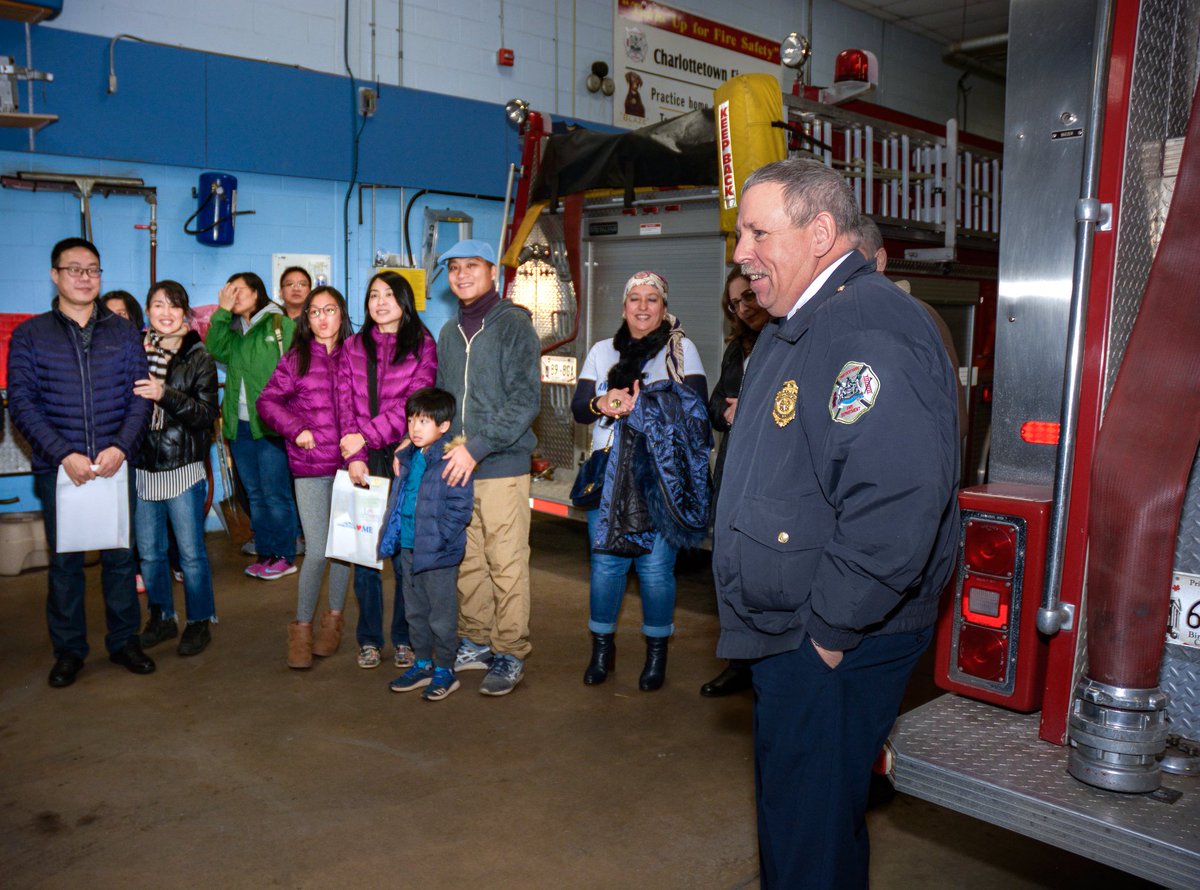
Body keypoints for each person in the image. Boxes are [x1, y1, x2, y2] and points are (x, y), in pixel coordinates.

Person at [716, 159, 960, 888]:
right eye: (739, 234)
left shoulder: (868, 326)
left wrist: (826, 633)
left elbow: (896, 504)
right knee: (811, 822)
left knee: (807, 837)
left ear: (820, 232)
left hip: (828, 636)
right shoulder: (805, 321)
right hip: (799, 627)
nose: (740, 252)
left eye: (759, 231)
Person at [7, 237, 155, 687]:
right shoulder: (31, 335)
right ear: (55, 275)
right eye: (75, 269)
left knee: (118, 557)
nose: (85, 278)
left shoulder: (124, 332)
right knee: (66, 563)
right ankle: (69, 650)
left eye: (93, 270)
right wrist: (62, 454)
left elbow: (141, 397)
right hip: (60, 470)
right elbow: (22, 402)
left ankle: (124, 641)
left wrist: (121, 447)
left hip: (115, 462)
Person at [570, 271, 709, 691]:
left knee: (654, 570)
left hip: (660, 474)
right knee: (607, 566)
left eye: (652, 299)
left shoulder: (681, 351)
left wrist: (644, 405)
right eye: (635, 299)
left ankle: (656, 654)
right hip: (607, 469)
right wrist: (604, 402)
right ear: (624, 306)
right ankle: (601, 649)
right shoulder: (601, 351)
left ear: (664, 308)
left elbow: (698, 410)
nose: (643, 307)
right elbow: (579, 408)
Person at [435, 239, 541, 697]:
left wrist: (475, 448)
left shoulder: (514, 325)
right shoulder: (447, 332)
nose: (461, 275)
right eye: (454, 268)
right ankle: (476, 640)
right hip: (456, 466)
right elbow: (444, 398)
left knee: (507, 563)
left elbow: (524, 401)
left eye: (471, 266)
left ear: (492, 272)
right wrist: (432, 441)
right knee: (469, 561)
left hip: (500, 465)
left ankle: (511, 650)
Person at [338, 270, 437, 670]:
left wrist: (366, 437)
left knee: (402, 551)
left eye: (389, 295)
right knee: (364, 552)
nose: (380, 302)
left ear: (404, 301)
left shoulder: (422, 344)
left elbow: (416, 402)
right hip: (363, 457)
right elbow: (344, 399)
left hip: (404, 453)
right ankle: (368, 638)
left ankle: (404, 637)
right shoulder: (352, 345)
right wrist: (353, 453)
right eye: (373, 295)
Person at [258, 285, 355, 669]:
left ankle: (333, 624)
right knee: (317, 550)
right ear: (306, 318)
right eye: (314, 312)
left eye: (329, 310)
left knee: (344, 552)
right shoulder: (296, 358)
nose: (322, 318)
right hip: (311, 466)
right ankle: (301, 627)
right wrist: (295, 428)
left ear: (341, 314)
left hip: (352, 467)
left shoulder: (354, 356)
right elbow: (267, 401)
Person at [133, 280, 220, 657]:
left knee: (190, 553)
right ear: (148, 312)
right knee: (150, 553)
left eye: (173, 306)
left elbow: (205, 415)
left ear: (184, 314)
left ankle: (199, 622)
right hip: (143, 466)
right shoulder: (136, 352)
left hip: (182, 468)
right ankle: (162, 617)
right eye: (157, 305)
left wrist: (163, 393)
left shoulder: (198, 357)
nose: (165, 313)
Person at [699, 268, 770, 699]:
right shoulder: (737, 348)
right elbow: (713, 407)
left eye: (747, 297)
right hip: (734, 470)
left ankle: (767, 664)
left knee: (764, 572)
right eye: (734, 303)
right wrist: (727, 413)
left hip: (769, 475)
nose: (743, 307)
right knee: (728, 568)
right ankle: (739, 662)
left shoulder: (788, 338)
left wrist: (751, 407)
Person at [377, 388, 474, 701]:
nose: (415, 428)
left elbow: (461, 509)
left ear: (443, 426)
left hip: (438, 554)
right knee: (414, 612)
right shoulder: (408, 458)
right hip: (409, 548)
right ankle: (422, 663)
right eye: (411, 421)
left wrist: (441, 539)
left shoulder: (450, 460)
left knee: (441, 616)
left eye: (423, 421)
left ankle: (445, 669)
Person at [205, 271, 299, 579]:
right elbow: (215, 348)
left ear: (257, 293)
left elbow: (299, 371)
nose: (232, 296)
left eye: (238, 290)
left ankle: (285, 555)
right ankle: (267, 553)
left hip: (271, 425)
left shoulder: (279, 325)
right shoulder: (234, 333)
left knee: (276, 494)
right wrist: (221, 311)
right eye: (228, 291)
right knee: (256, 494)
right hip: (240, 426)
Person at [854, 215, 967, 437]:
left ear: (879, 261)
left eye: (852, 262)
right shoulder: (837, 320)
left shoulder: (919, 319)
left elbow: (956, 422)